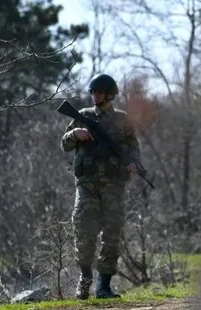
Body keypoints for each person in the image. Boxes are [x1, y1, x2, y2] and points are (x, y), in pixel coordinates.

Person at [60, 73, 141, 299]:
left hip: (114, 186)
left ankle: (104, 286)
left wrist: (134, 164)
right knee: (84, 233)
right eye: (93, 92)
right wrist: (75, 133)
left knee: (112, 235)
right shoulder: (82, 116)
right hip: (86, 186)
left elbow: (133, 148)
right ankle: (85, 279)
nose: (95, 96)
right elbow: (64, 144)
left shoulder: (123, 120)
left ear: (110, 95)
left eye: (99, 92)